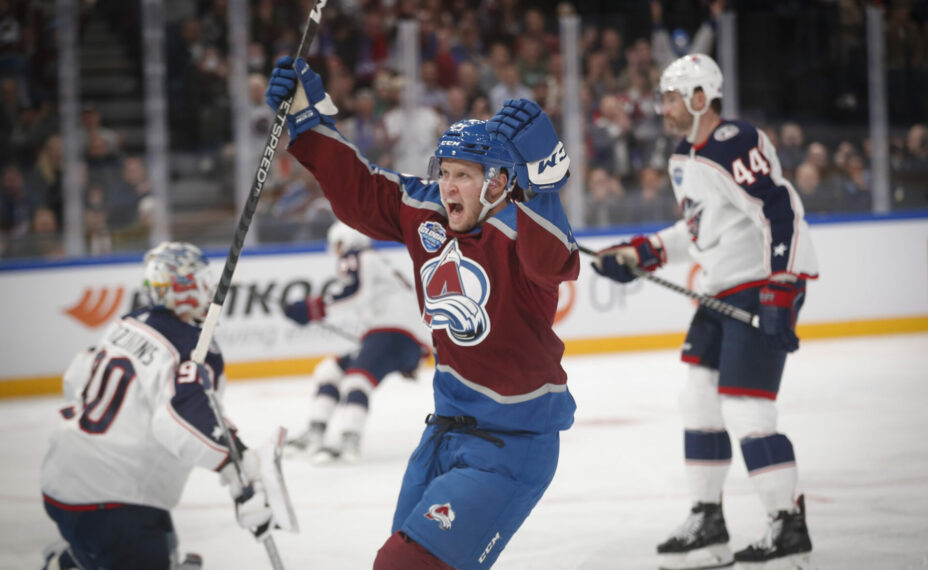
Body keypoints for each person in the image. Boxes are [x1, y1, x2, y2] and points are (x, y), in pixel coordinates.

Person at [266, 55, 579, 569]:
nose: (448, 186)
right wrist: (308, 120)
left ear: (498, 182)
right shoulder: (426, 210)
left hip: (510, 445)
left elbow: (555, 264)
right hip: (443, 434)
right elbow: (361, 190)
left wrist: (545, 181)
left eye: (465, 175)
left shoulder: (523, 231)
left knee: (401, 564)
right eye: (445, 172)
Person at [592, 53, 818, 569]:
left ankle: (787, 527)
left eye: (672, 97)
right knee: (697, 400)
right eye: (663, 98)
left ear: (700, 98)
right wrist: (641, 253)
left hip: (760, 285)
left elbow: (779, 210)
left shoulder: (735, 142)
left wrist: (782, 286)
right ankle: (709, 523)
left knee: (746, 407)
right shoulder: (683, 156)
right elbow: (697, 230)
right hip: (719, 291)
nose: (664, 107)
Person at [40, 242, 292, 570]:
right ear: (183, 288)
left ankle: (73, 558)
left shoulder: (128, 322)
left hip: (60, 478)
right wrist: (238, 467)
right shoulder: (192, 347)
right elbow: (182, 417)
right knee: (134, 549)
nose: (209, 290)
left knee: (153, 545)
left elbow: (75, 379)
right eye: (202, 281)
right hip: (113, 500)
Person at [283, 220, 432, 464]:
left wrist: (313, 308)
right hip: (402, 338)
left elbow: (356, 292)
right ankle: (315, 432)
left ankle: (348, 442)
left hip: (392, 333)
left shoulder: (359, 256)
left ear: (346, 241)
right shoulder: (376, 260)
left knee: (357, 378)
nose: (337, 252)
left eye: (337, 245)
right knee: (329, 371)